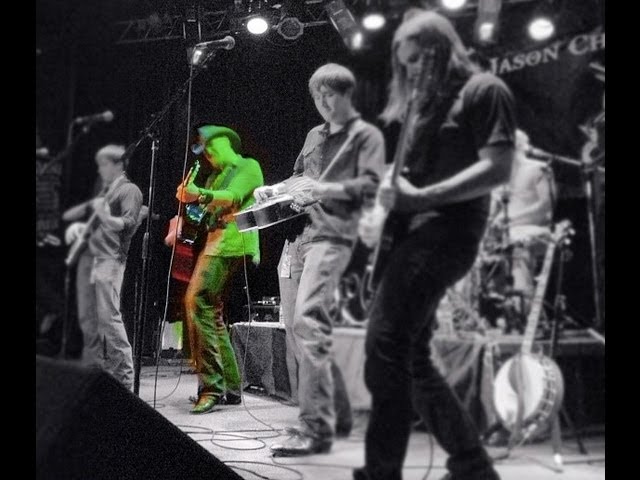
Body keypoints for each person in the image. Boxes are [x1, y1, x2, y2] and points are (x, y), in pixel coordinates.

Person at [357, 11, 516, 480]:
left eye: (419, 59)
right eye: (404, 64)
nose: (412, 71)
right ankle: (472, 466)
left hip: (448, 232)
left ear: (442, 48)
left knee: (385, 346)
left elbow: (499, 167)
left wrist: (421, 198)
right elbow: (409, 181)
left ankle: (381, 472)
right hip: (411, 235)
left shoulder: (484, 90)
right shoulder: (421, 109)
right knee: (412, 357)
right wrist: (387, 201)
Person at [254, 63, 385, 456]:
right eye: (318, 96)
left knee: (307, 322)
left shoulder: (366, 136)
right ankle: (337, 415)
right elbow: (299, 176)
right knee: (300, 329)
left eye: (331, 95)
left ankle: (314, 427)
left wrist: (321, 189)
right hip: (300, 237)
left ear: (347, 96)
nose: (324, 103)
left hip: (335, 237)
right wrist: (274, 189)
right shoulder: (314, 135)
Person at [173, 125, 263, 414]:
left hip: (232, 245)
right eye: (205, 150)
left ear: (226, 142)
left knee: (197, 301)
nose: (208, 154)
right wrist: (187, 202)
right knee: (211, 313)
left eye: (212, 147)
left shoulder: (248, 166)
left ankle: (212, 387)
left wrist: (198, 194)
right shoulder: (214, 176)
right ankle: (230, 388)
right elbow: (203, 213)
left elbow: (233, 197)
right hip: (215, 245)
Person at [63, 144, 143, 390]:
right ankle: (96, 376)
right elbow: (71, 216)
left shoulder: (129, 189)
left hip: (110, 259)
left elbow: (129, 222)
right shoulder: (106, 192)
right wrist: (83, 226)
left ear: (118, 164)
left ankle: (124, 381)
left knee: (108, 319)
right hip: (92, 258)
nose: (99, 170)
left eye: (103, 164)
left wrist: (106, 217)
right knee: (89, 319)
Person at [489, 129, 555, 328]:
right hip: (508, 232)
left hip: (535, 230)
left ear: (517, 147)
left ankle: (526, 316)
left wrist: (511, 219)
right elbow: (493, 212)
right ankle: (482, 315)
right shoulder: (500, 175)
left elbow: (546, 208)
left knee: (518, 248)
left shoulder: (539, 169)